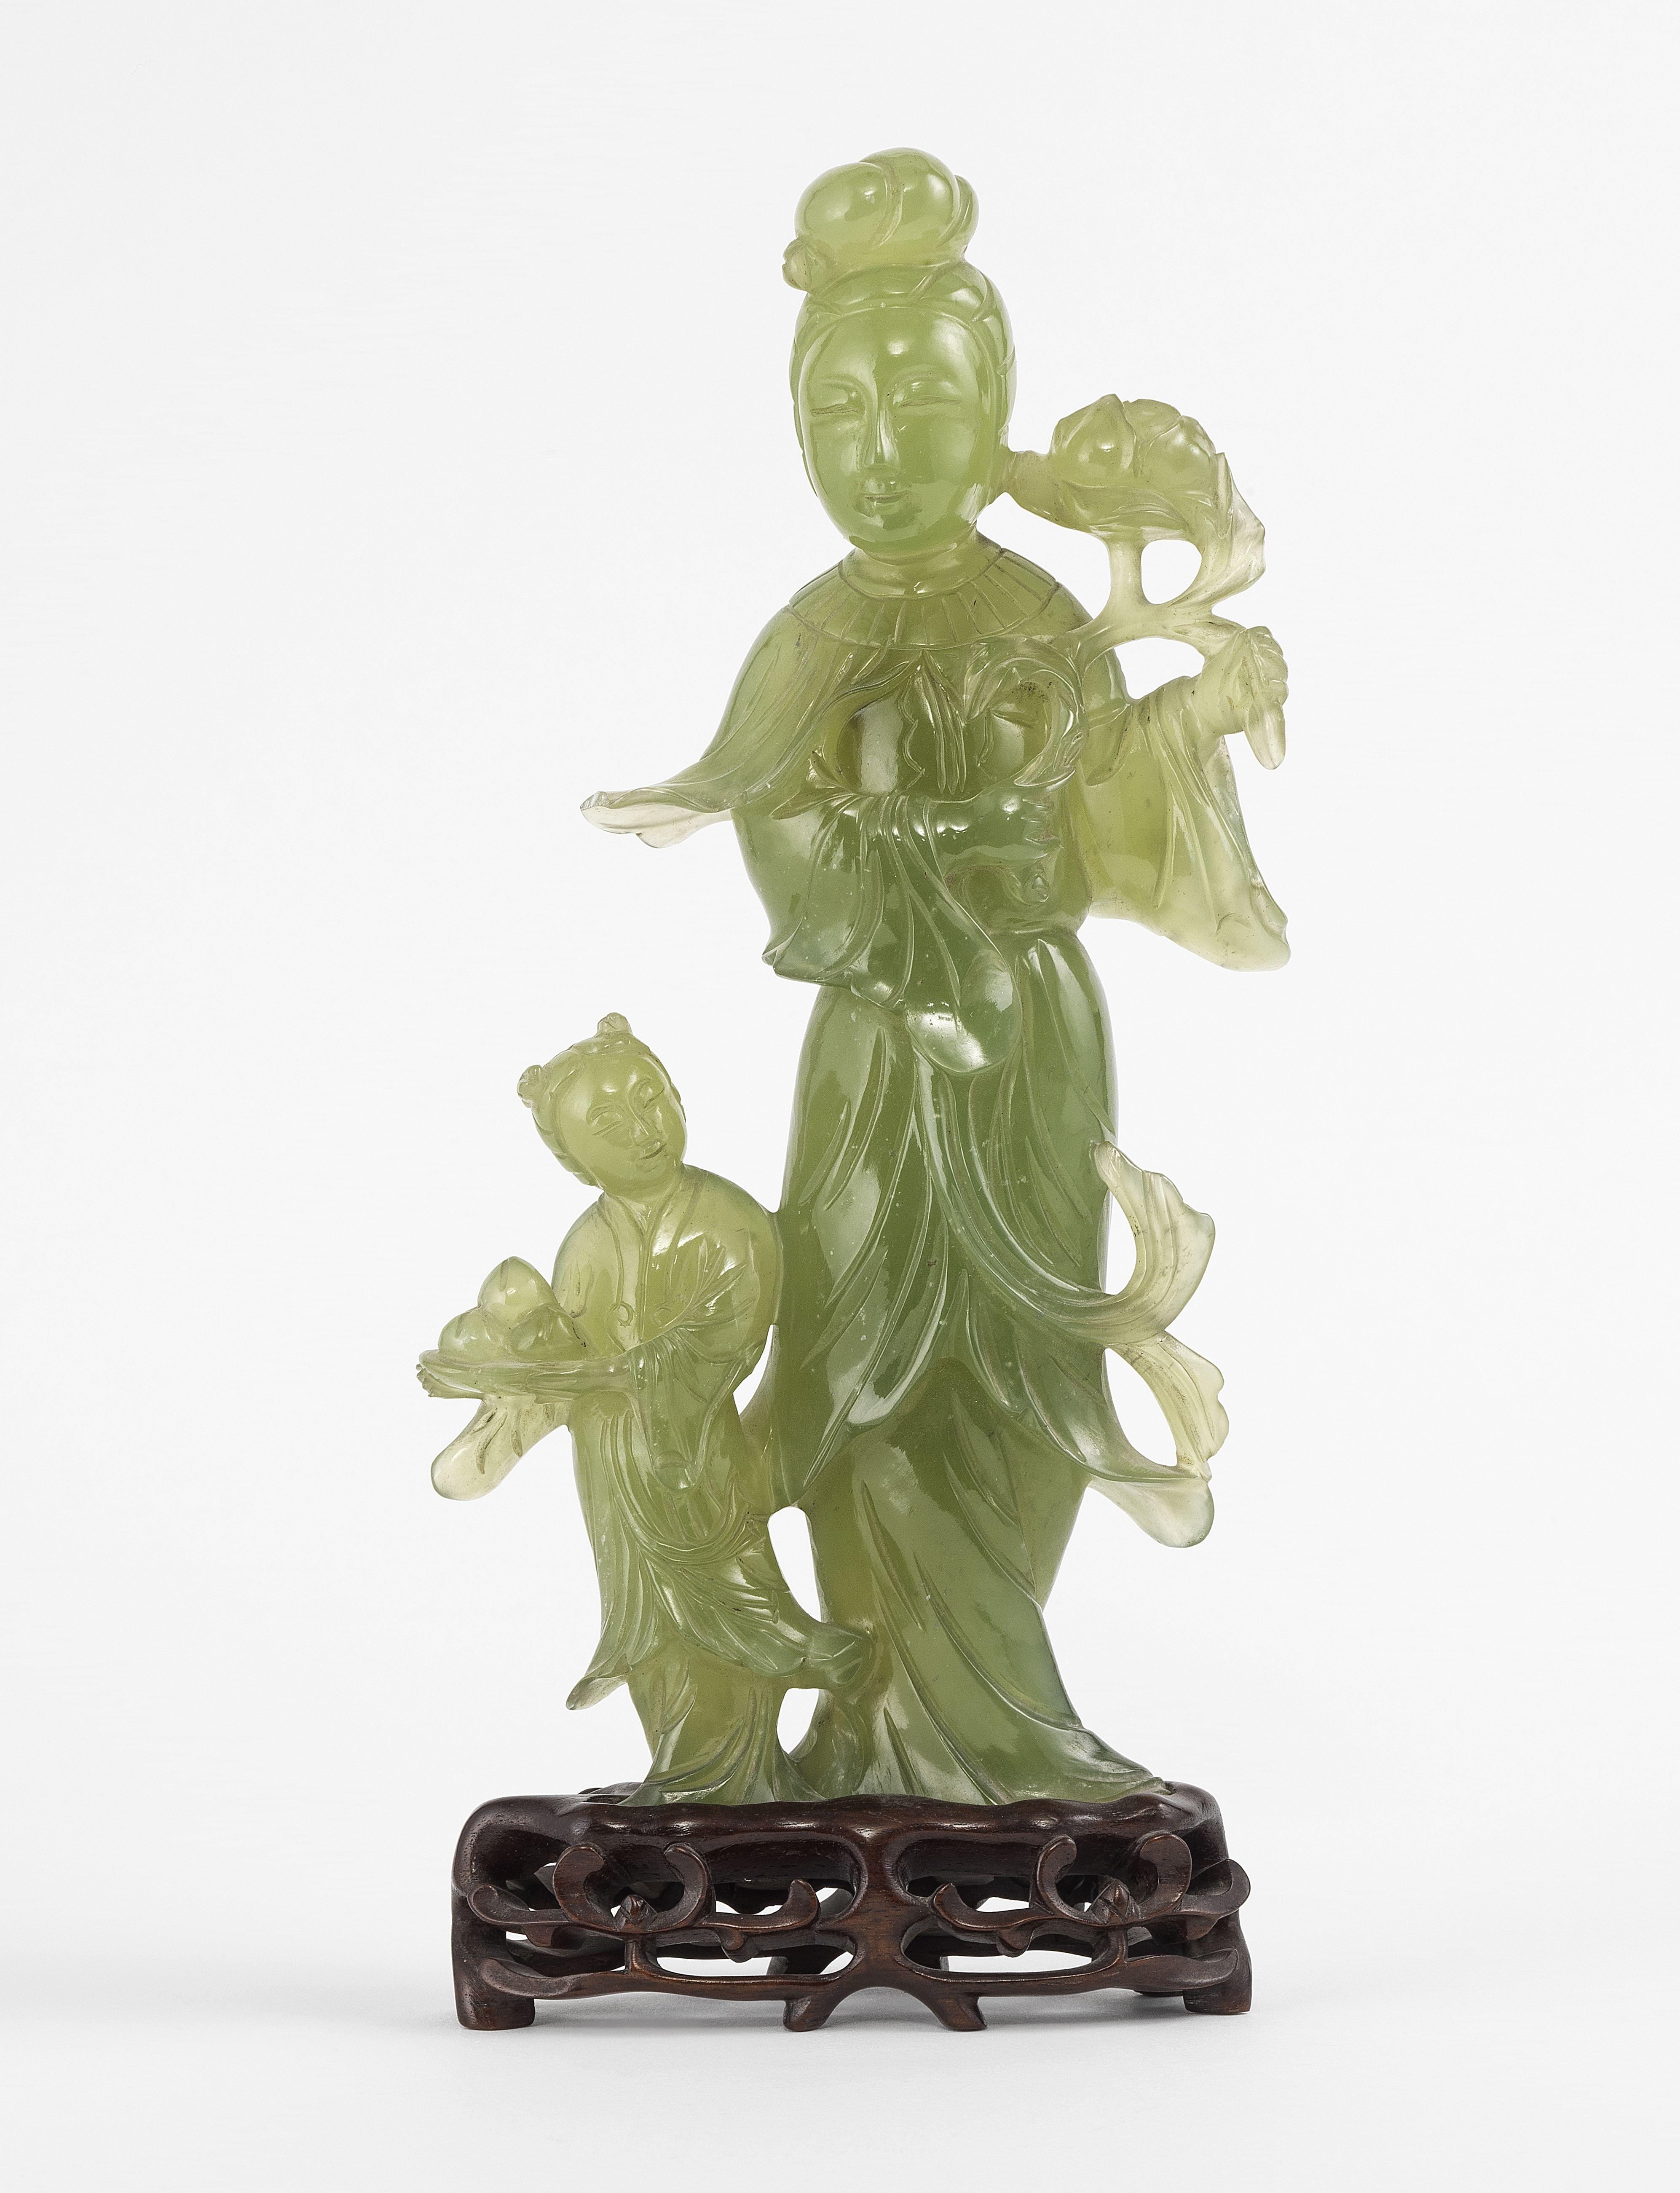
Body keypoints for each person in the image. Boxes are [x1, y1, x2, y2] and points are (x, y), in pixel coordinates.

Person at [584, 151, 1287, 1803]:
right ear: (798, 435)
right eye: (840, 413)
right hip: (879, 1054)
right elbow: (796, 867)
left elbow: (1095, 817)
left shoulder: (1037, 609)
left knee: (1022, 1367)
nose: (882, 451)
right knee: (858, 1369)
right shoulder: (807, 641)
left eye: (923, 408)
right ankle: (871, 1708)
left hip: (1030, 1041)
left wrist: (1190, 715)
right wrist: (952, 841)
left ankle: (984, 1729)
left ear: (992, 425)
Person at [419, 1015, 867, 1804]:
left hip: (693, 1456)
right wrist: (500, 1372)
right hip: (612, 1471)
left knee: (729, 1610)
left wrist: (621, 1373)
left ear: (677, 1095)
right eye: (607, 1122)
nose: (642, 1128)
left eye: (649, 1098)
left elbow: (730, 1334)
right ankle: (686, 1778)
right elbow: (567, 1353)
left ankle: (737, 1784)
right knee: (652, 1631)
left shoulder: (729, 1217)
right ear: (572, 1158)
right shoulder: (586, 1242)